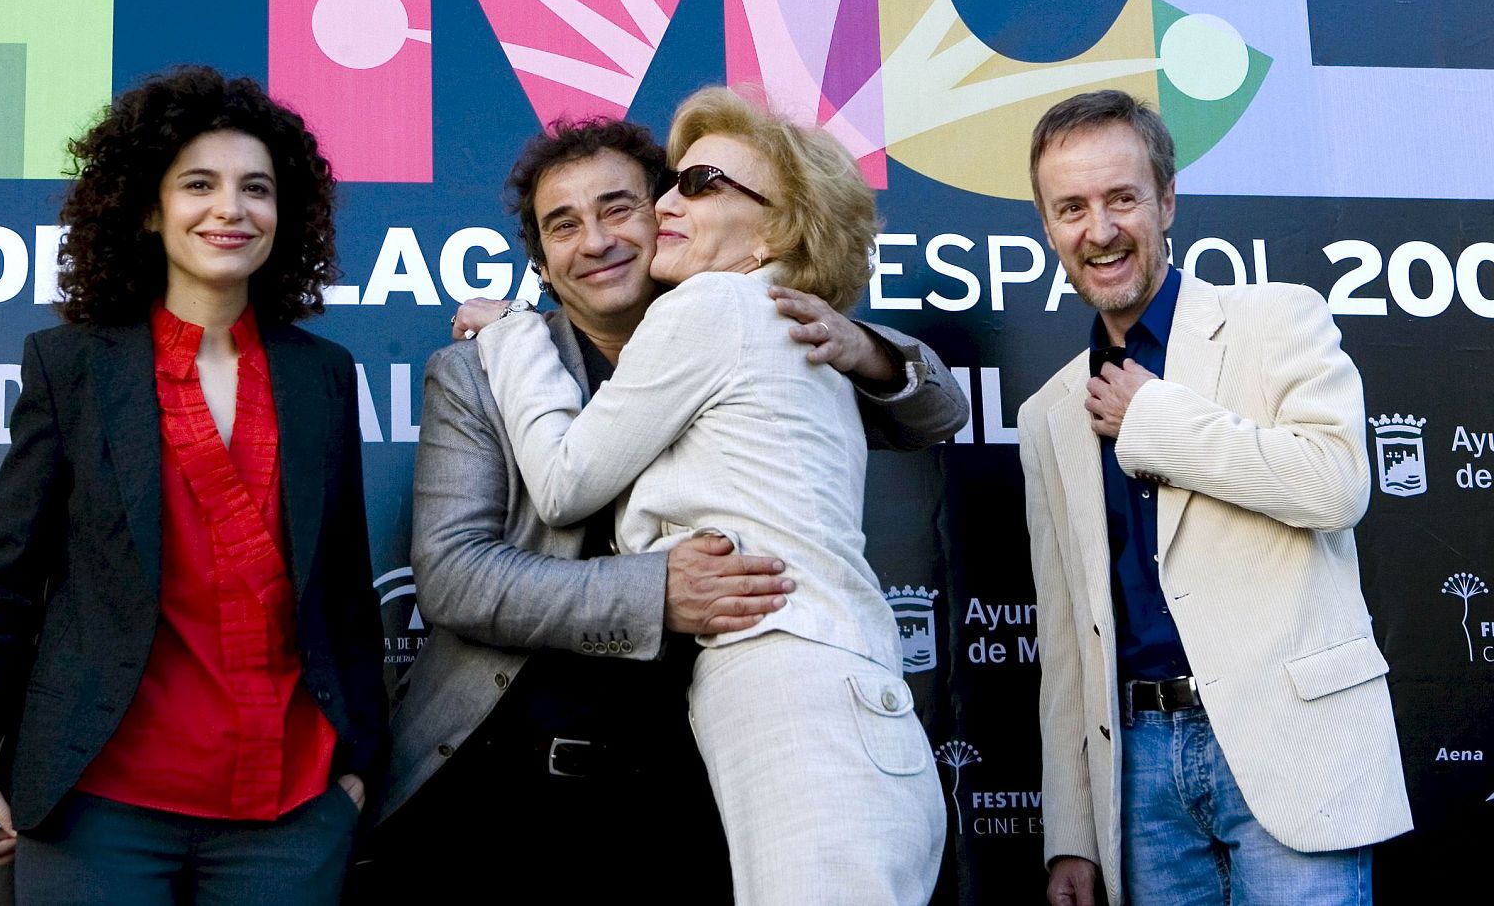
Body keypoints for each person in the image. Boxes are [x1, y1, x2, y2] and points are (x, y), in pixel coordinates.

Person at [458, 88, 949, 905]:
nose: (666, 202)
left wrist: (511, 332)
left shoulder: (718, 304)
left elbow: (564, 481)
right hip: (819, 697)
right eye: (673, 181)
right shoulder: (779, 322)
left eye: (701, 184)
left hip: (798, 698)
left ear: (778, 228)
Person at [0, 66, 387, 905]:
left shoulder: (322, 375)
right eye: (198, 185)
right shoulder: (70, 366)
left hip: (288, 807)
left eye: (257, 187)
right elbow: (4, 581)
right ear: (149, 208)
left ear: (283, 214)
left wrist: (358, 765)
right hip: (99, 804)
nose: (231, 209)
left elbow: (347, 594)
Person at [1016, 90, 1411, 906]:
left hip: (1288, 745)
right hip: (1139, 769)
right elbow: (1066, 640)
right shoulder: (1049, 413)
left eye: (1122, 197)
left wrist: (1153, 418)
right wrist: (1074, 833)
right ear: (1048, 227)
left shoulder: (1277, 320)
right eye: (1071, 207)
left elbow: (1334, 484)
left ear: (1165, 201)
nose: (1100, 230)